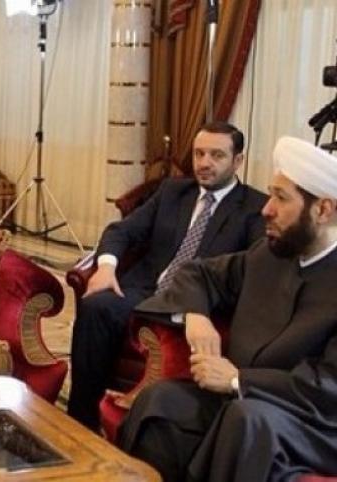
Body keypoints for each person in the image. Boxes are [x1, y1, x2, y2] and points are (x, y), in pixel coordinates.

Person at [119, 136, 337, 481]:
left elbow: (327, 386)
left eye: (281, 198)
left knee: (246, 420)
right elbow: (197, 273)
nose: (266, 209)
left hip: (314, 421)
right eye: (270, 195)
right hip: (242, 399)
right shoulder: (268, 255)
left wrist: (238, 379)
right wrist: (197, 316)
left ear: (323, 210)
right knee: (160, 402)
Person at [68, 121, 268, 430]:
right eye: (199, 154)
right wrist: (106, 267)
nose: (204, 163)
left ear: (237, 160)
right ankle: (80, 422)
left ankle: (142, 428)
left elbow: (252, 270)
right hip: (146, 291)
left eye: (216, 155)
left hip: (196, 306)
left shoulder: (255, 208)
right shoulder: (173, 191)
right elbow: (122, 231)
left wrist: (197, 307)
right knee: (96, 306)